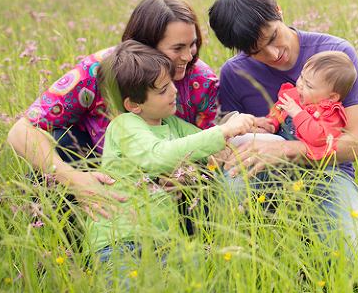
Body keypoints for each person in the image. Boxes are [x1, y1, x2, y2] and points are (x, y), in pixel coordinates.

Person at [7, 0, 221, 218]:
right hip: (101, 175)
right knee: (61, 141)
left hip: (166, 186)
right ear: (144, 45)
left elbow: (211, 147)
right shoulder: (99, 71)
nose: (187, 56)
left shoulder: (201, 81)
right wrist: (73, 179)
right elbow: (21, 131)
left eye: (193, 44)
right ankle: (62, 243)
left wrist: (185, 173)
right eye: (177, 48)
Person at [207, 0, 358, 258]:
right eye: (255, 51)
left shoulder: (335, 54)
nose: (273, 55)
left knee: (356, 255)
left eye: (272, 37)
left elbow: (354, 145)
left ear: (279, 11)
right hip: (259, 171)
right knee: (232, 200)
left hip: (325, 171)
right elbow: (229, 147)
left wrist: (288, 149)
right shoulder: (233, 73)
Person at [87, 40, 254, 284]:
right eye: (162, 90)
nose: (174, 91)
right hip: (119, 241)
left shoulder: (171, 124)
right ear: (133, 105)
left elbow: (202, 144)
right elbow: (158, 156)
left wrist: (232, 139)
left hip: (161, 240)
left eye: (171, 84)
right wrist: (221, 133)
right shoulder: (125, 126)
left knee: (207, 277)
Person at [229, 51, 357, 163]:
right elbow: (279, 107)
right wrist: (272, 123)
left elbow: (319, 139)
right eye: (301, 77)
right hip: (278, 142)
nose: (300, 84)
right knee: (243, 136)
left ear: (331, 97)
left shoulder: (330, 113)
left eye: (309, 85)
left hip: (301, 156)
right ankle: (225, 142)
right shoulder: (296, 93)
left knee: (247, 144)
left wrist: (298, 113)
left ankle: (229, 146)